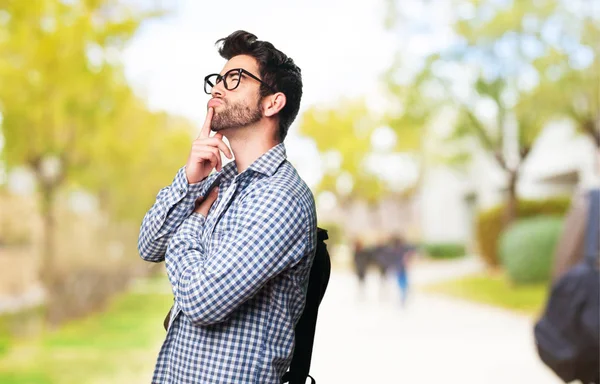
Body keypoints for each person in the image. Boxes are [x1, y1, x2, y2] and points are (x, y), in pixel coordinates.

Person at [137, 30, 317, 384]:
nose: (217, 89)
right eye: (217, 79)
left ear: (271, 103)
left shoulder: (280, 197)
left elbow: (203, 301)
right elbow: (149, 245)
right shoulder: (218, 177)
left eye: (235, 79)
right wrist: (189, 180)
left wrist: (195, 220)